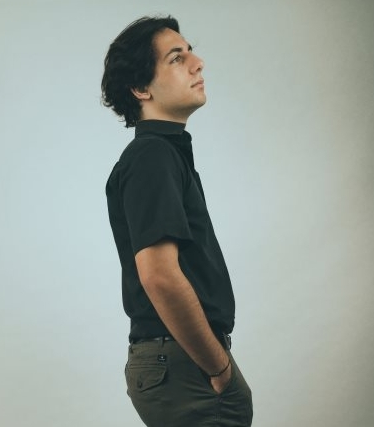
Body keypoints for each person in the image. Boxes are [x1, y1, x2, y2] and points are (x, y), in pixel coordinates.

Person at [101, 15, 253, 427]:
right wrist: (219, 368)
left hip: (177, 359)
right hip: (183, 362)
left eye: (191, 52)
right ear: (141, 88)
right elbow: (160, 276)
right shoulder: (152, 155)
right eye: (176, 58)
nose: (198, 63)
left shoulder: (162, 154)